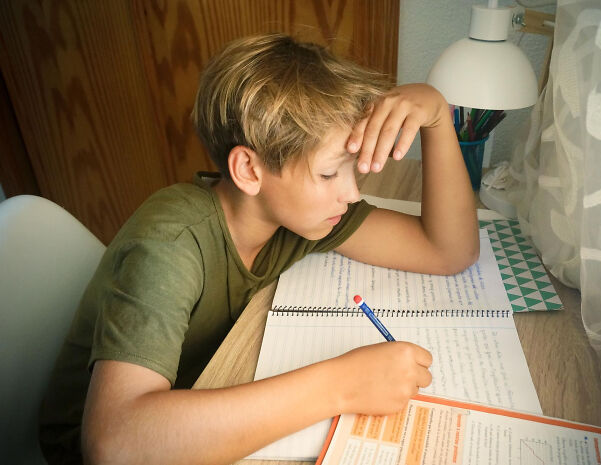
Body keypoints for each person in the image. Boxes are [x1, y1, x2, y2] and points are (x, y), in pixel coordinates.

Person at [39, 33, 479, 465]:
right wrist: (342, 385)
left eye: (352, 171)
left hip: (202, 390)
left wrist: (438, 120)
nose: (351, 194)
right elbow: (112, 445)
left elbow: (447, 251)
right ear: (249, 169)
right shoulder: (170, 243)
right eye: (329, 175)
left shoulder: (295, 216)